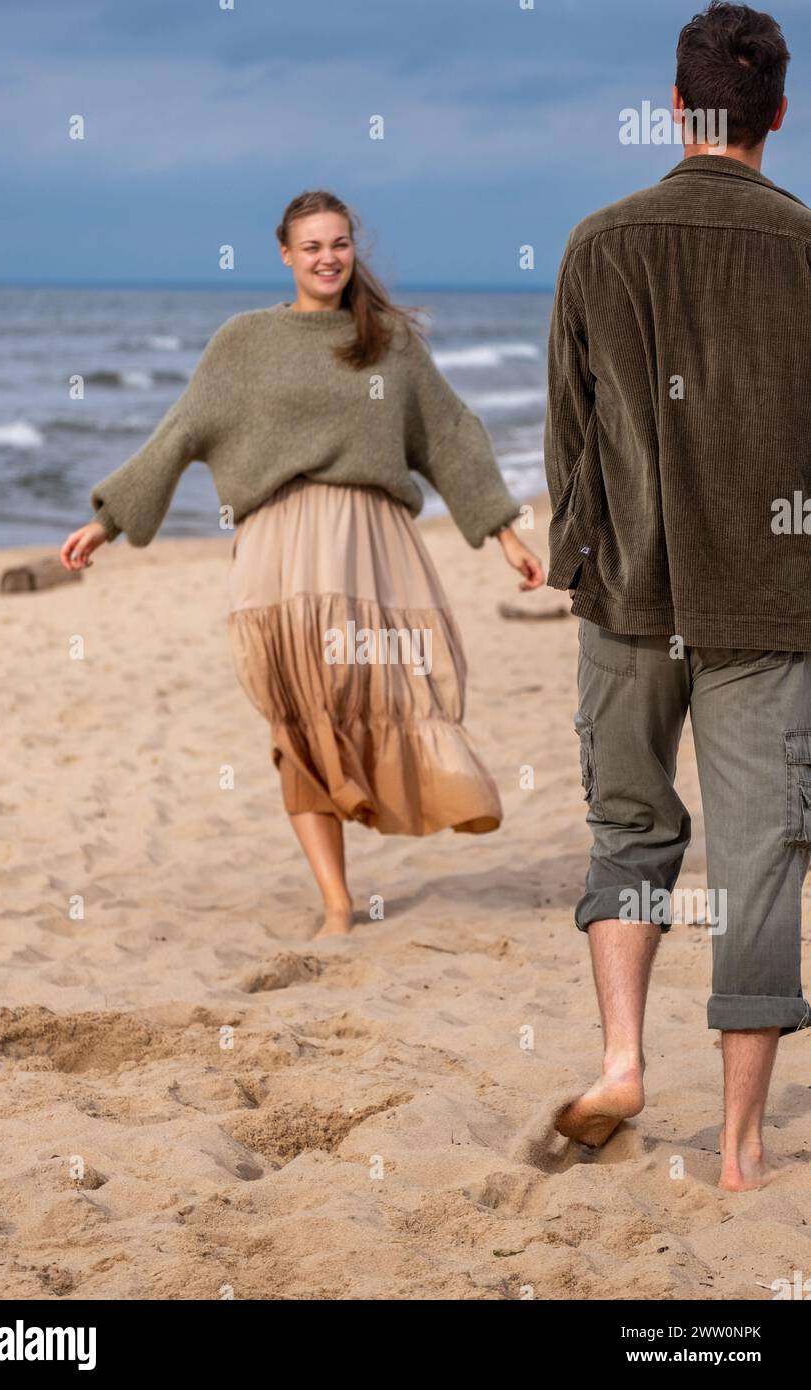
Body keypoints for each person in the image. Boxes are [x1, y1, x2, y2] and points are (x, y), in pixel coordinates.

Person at [61, 189, 545, 938]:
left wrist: (504, 530)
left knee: (397, 690)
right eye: (312, 246)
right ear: (285, 255)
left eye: (340, 243)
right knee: (299, 716)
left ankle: (413, 808)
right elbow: (182, 432)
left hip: (374, 548)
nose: (328, 258)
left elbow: (449, 433)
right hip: (279, 552)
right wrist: (109, 520)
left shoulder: (388, 341)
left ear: (355, 249)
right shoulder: (244, 341)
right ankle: (337, 904)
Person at [544, 1, 811, 1190]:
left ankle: (619, 1059)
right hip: (772, 596)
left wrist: (578, 568)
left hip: (631, 593)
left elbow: (567, 441)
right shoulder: (803, 246)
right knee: (759, 855)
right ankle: (743, 1148)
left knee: (628, 828)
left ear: (674, 107)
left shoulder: (598, 243)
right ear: (778, 112)